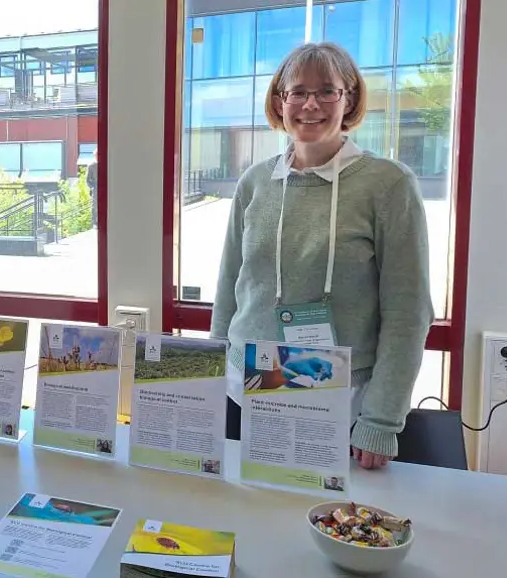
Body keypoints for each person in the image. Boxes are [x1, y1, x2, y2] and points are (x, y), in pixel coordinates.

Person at [210, 42, 433, 470]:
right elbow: (229, 286)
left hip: (335, 399)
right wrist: (211, 382)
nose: (310, 104)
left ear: (349, 98)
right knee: (242, 518)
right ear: (281, 101)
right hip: (245, 389)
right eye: (297, 92)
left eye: (326, 91)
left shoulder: (389, 185)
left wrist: (382, 421)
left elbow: (408, 312)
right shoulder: (255, 182)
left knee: (317, 525)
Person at [86, 147, 98, 229]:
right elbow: (87, 180)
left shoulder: (107, 163)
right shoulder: (91, 166)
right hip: (96, 189)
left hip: (106, 188)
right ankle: (95, 223)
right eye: (97, 155)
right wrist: (93, 187)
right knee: (95, 206)